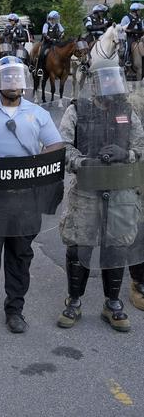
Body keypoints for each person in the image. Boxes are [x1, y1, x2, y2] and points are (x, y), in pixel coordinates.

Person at [0, 56, 63, 342]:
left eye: (17, 77)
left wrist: (35, 164)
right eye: (7, 78)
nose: (14, 83)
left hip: (26, 196)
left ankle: (14, 310)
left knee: (21, 255)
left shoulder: (38, 113)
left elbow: (55, 145)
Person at [57, 60, 144, 332]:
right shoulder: (77, 110)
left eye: (112, 80)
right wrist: (82, 162)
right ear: (94, 83)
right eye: (103, 81)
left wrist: (126, 154)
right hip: (86, 189)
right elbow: (62, 147)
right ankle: (74, 301)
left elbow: (141, 147)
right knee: (79, 246)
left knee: (116, 246)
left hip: (120, 190)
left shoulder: (129, 112)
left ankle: (113, 303)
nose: (109, 86)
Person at [36, 11, 65, 76]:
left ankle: (63, 68)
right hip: (47, 43)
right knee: (42, 53)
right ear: (51, 18)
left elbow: (62, 31)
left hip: (57, 43)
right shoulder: (46, 24)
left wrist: (62, 35)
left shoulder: (58, 25)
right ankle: (40, 69)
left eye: (56, 18)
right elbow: (44, 34)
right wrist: (50, 39)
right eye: (55, 18)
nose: (56, 20)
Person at [120, 3, 144, 70]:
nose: (140, 12)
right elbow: (122, 28)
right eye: (139, 10)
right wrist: (130, 31)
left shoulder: (139, 19)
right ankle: (126, 61)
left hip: (139, 37)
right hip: (130, 37)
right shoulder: (126, 18)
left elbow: (142, 28)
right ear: (134, 11)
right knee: (128, 46)